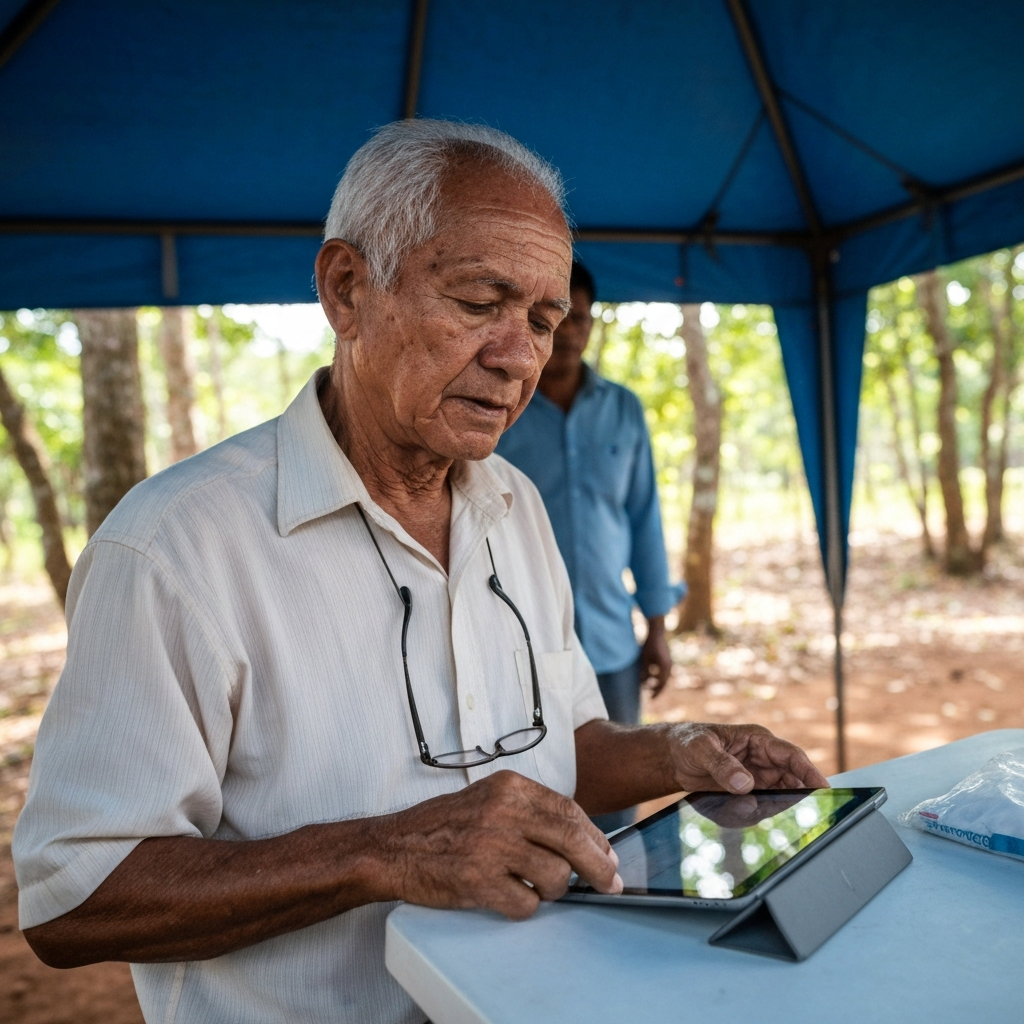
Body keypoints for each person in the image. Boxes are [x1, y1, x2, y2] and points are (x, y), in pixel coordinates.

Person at [13, 120, 827, 1024]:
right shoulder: (176, 549)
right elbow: (72, 897)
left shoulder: (511, 506)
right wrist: (384, 852)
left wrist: (680, 752)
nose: (521, 356)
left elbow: (564, 750)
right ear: (347, 288)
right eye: (482, 301)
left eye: (544, 321)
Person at [496, 261, 681, 831]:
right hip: (515, 648)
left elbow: (645, 519)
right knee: (529, 800)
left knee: (618, 807)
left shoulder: (623, 410)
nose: (570, 331)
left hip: (609, 644)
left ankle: (613, 911)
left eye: (580, 317)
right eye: (555, 319)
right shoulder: (498, 407)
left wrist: (657, 628)